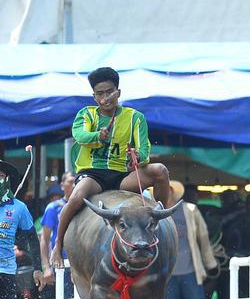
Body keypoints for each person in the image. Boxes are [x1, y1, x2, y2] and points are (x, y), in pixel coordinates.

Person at [51, 67, 170, 269]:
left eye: (110, 92)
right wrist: (98, 136)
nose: (106, 97)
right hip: (93, 174)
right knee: (77, 197)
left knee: (160, 171)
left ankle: (161, 218)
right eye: (100, 93)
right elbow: (80, 136)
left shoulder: (135, 117)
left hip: (124, 173)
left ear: (118, 92)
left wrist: (138, 159)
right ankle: (57, 245)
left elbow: (145, 150)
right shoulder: (86, 114)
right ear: (94, 96)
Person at [163, 181, 218, 299]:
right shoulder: (158, 210)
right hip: (168, 272)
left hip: (191, 269)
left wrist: (210, 264)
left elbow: (203, 236)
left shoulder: (191, 209)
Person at [0, 160, 41, 299]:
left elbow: (33, 238)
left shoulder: (19, 208)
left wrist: (38, 268)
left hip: (7, 270)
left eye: (0, 176)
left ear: (7, 180)